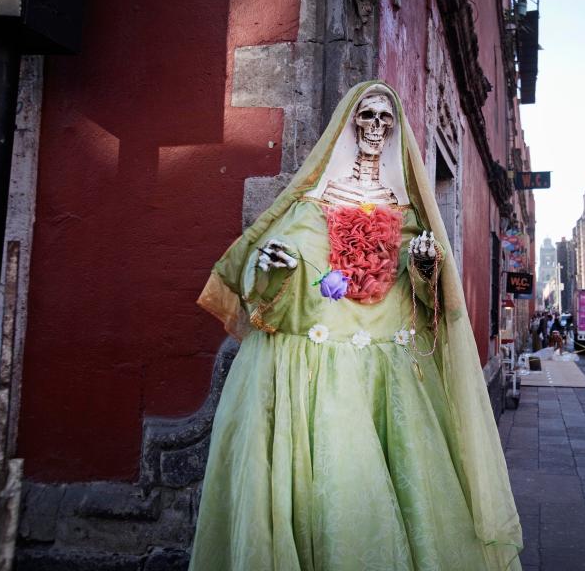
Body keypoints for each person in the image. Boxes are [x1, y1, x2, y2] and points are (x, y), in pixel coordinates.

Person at [190, 82, 521, 569]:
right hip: (318, 376)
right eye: (367, 116)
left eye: (386, 120)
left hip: (392, 376)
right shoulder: (311, 207)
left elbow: (426, 302)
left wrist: (426, 265)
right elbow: (278, 276)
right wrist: (275, 264)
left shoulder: (408, 213)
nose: (376, 128)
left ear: (395, 132)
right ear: (349, 125)